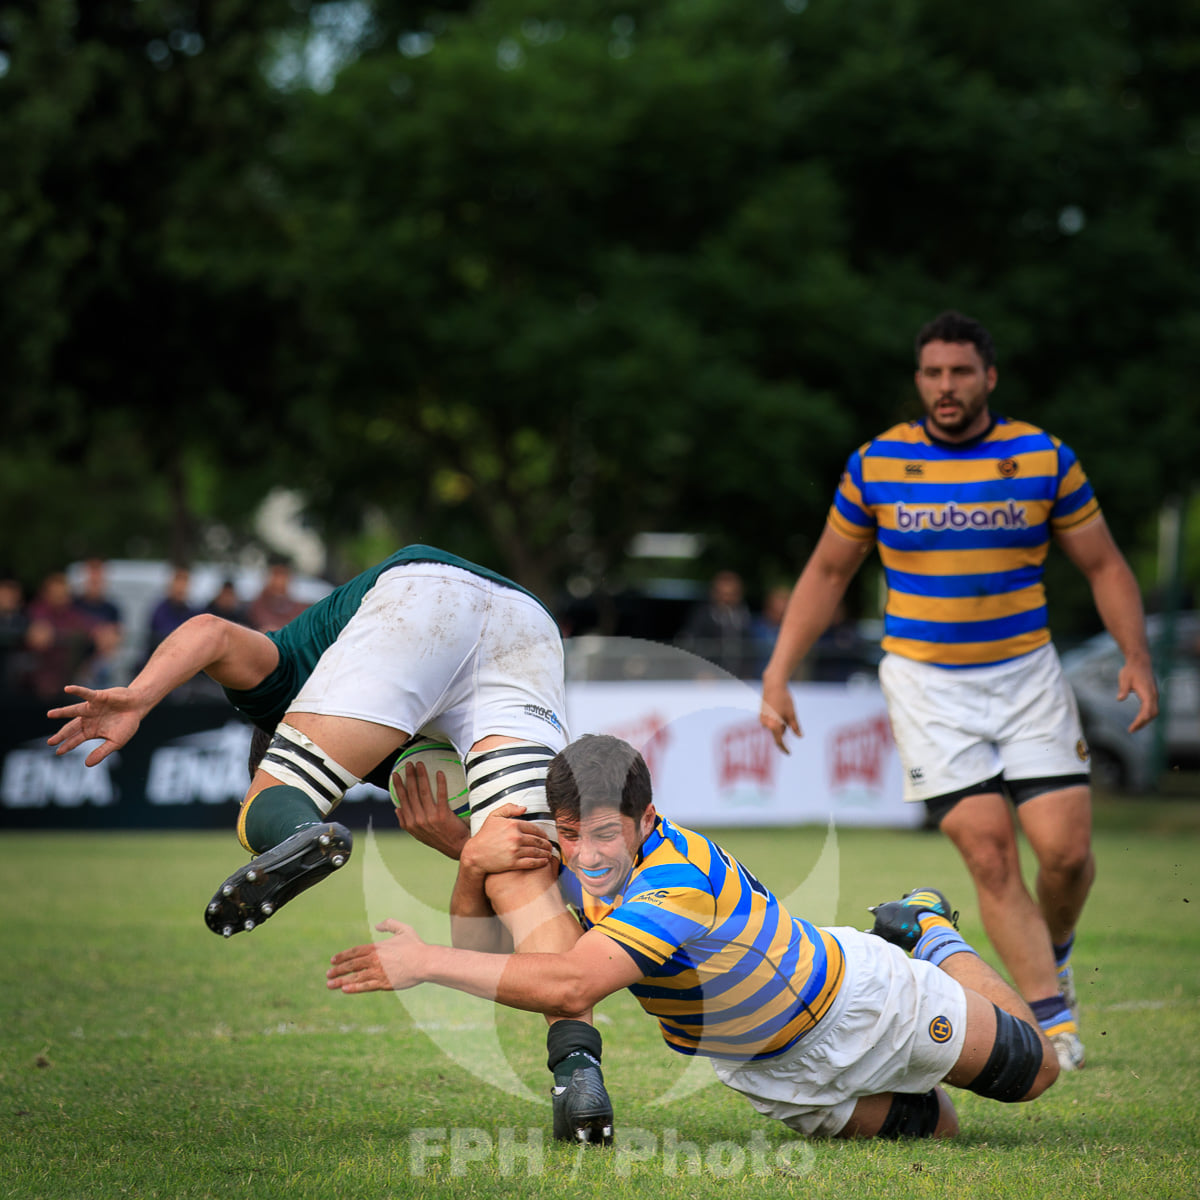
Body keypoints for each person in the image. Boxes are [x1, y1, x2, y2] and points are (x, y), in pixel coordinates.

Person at [46, 543, 613, 1143]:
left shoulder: (286, 678)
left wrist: (139, 695)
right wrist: (464, 849)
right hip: (529, 626)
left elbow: (211, 630)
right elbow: (513, 883)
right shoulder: (393, 752)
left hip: (425, 596)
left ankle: (294, 831)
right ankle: (578, 1068)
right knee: (520, 865)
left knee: (265, 803)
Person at [759, 310, 1159, 1072]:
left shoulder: (1043, 458)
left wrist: (1136, 656)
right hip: (926, 683)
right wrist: (778, 672)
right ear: (920, 380)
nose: (947, 386)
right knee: (987, 853)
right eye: (933, 373)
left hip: (1027, 675)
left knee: (1067, 855)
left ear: (989, 378)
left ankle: (1056, 948)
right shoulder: (876, 464)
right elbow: (827, 572)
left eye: (961, 372)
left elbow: (1105, 565)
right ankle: (1053, 1021)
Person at [327, 733, 1059, 1141]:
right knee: (942, 1135)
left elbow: (572, 985)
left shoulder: (676, 881)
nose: (586, 856)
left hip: (861, 1004)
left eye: (607, 834)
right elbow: (493, 958)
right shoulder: (571, 845)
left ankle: (926, 931)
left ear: (648, 820)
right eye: (572, 834)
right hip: (767, 1072)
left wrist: (422, 961)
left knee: (1036, 1073)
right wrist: (471, 860)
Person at [677, 569, 756, 678]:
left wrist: (747, 674)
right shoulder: (702, 617)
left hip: (738, 680)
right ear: (714, 593)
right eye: (723, 594)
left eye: (731, 595)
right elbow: (689, 645)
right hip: (710, 681)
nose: (726, 599)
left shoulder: (745, 617)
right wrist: (701, 671)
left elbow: (751, 649)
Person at [72, 558, 125, 687]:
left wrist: (108, 638)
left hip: (104, 662)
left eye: (98, 577)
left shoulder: (112, 608)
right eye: (92, 577)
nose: (95, 581)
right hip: (78, 661)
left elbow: (120, 635)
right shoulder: (74, 604)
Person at [247, 558, 310, 633]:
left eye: (283, 576)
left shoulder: (298, 608)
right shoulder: (256, 606)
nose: (279, 581)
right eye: (276, 575)